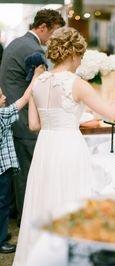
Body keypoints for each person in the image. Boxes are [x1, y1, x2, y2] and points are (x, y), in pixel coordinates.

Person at [8, 27, 115, 266]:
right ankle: (66, 261)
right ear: (73, 53)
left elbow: (34, 125)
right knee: (69, 198)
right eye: (80, 54)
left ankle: (39, 260)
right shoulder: (76, 83)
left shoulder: (38, 82)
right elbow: (110, 113)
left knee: (43, 199)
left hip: (46, 146)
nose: (81, 60)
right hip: (68, 146)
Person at [0, 9, 65, 224]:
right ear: (43, 27)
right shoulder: (33, 49)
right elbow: (43, 85)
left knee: (15, 171)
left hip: (11, 113)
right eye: (53, 32)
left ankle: (13, 214)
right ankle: (25, 220)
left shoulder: (16, 43)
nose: (53, 38)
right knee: (26, 173)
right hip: (23, 118)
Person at [0, 66, 45, 254]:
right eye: (0, 95)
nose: (4, 97)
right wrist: (35, 77)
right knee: (2, 202)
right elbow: (24, 99)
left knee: (3, 202)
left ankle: (1, 233)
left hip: (4, 168)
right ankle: (1, 240)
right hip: (2, 170)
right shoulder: (2, 115)